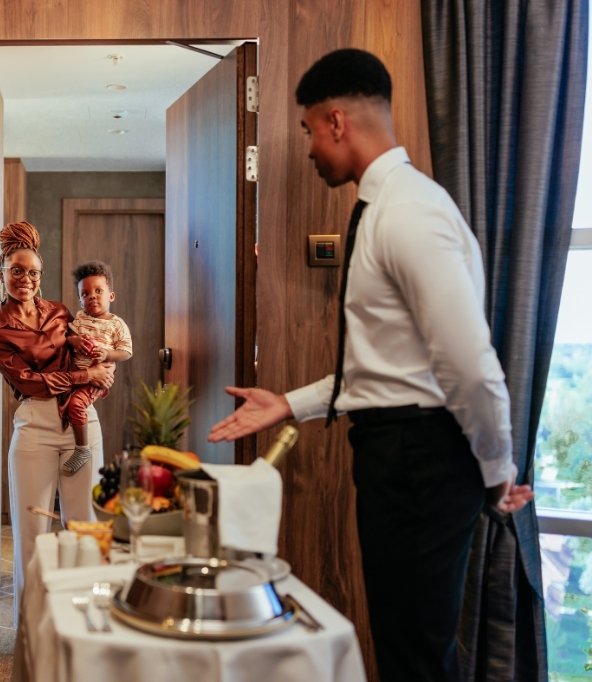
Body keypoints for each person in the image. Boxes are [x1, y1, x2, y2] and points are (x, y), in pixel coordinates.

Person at [207, 49, 534, 682]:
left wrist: (497, 472)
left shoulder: (410, 213)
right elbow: (385, 367)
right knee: (404, 642)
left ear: (335, 121)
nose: (307, 149)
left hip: (422, 459)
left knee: (416, 655)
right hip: (399, 453)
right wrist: (288, 404)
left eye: (307, 131)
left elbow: (469, 366)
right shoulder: (381, 210)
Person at [0, 220, 115, 621]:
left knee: (85, 529)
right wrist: (84, 376)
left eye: (33, 272)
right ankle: (31, 634)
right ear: (1, 271)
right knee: (31, 536)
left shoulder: (59, 310)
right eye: (16, 270)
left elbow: (87, 348)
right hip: (35, 428)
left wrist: (100, 367)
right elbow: (30, 382)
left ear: (41, 277)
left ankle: (87, 623)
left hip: (81, 424)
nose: (25, 279)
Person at [60, 260, 133, 475]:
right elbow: (69, 335)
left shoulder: (116, 324)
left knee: (75, 404)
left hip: (95, 379)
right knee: (63, 401)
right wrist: (73, 341)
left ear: (111, 295)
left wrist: (108, 354)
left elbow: (127, 352)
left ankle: (82, 449)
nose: (92, 296)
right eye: (85, 294)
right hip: (76, 373)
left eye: (98, 291)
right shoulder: (80, 318)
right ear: (80, 301)